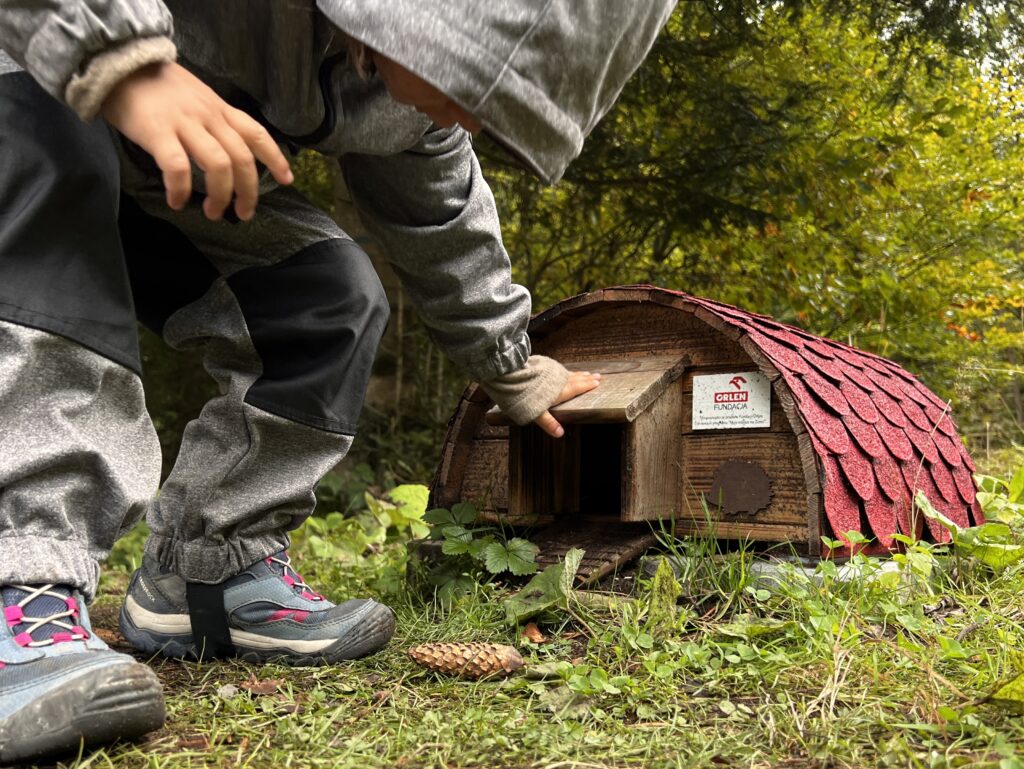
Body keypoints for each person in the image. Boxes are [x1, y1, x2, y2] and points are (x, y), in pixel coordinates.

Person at [0, 0, 676, 762]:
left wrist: (511, 365)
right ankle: (17, 580)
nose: (478, 122)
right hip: (28, 70)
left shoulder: (398, 98)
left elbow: (444, 217)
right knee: (48, 166)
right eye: (477, 85)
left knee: (329, 298)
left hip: (142, 167)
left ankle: (208, 572)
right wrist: (126, 62)